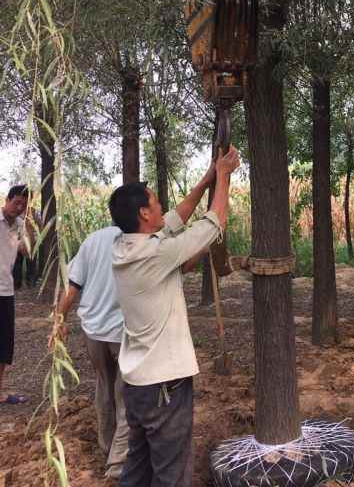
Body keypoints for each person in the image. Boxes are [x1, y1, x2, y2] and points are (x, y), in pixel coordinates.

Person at [110, 147, 240, 487]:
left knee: (138, 468)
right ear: (143, 213)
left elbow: (175, 219)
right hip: (164, 387)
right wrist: (224, 177)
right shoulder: (155, 254)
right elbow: (215, 222)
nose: (161, 208)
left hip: (137, 385)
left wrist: (206, 180)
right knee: (171, 473)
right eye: (155, 203)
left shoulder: (125, 246)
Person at [52, 221, 129, 479]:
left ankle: (106, 445)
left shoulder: (92, 240)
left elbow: (72, 286)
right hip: (122, 331)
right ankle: (118, 462)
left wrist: (59, 319)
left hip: (93, 330)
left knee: (104, 384)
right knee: (125, 391)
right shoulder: (136, 239)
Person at [0, 184, 30, 404]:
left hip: (6, 291)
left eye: (23, 205)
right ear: (7, 200)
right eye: (16, 202)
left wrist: (31, 225)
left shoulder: (20, 225)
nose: (19, 207)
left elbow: (28, 251)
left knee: (4, 345)